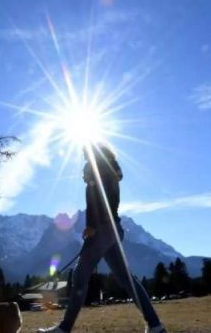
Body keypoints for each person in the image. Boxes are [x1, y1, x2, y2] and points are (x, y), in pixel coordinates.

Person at [37, 143, 166, 333]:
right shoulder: (111, 170)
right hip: (114, 229)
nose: (84, 157)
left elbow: (96, 200)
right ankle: (155, 325)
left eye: (85, 153)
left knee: (80, 277)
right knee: (128, 281)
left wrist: (91, 225)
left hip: (102, 230)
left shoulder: (98, 170)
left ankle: (64, 328)